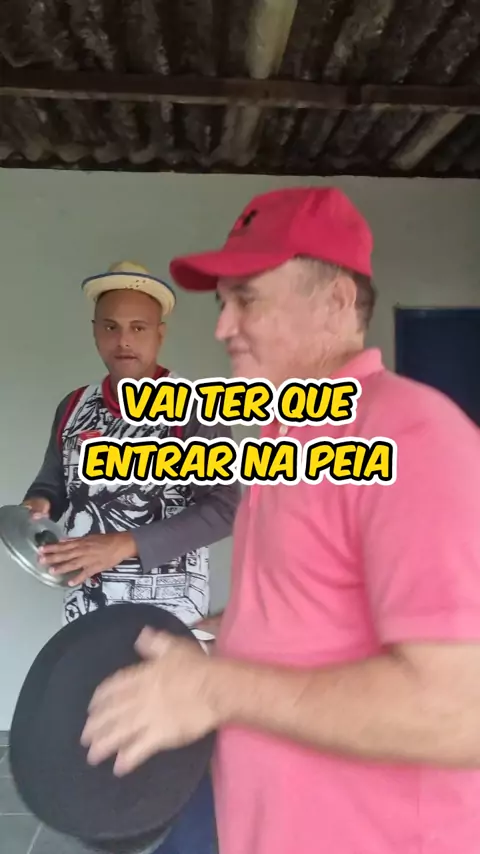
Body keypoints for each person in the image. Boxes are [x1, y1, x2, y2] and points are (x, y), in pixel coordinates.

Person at [80, 190, 480, 854]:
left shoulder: (413, 437)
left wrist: (217, 689)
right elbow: (312, 604)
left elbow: (460, 711)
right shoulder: (289, 438)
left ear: (337, 301)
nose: (223, 327)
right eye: (222, 303)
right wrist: (209, 636)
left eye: (247, 300)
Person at [22, 259, 241, 854]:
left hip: (167, 610)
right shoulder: (73, 407)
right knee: (98, 728)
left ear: (160, 334)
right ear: (95, 331)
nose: (124, 340)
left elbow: (227, 507)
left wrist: (125, 544)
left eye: (139, 328)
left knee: (171, 745)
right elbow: (53, 481)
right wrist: (39, 504)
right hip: (87, 604)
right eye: (111, 326)